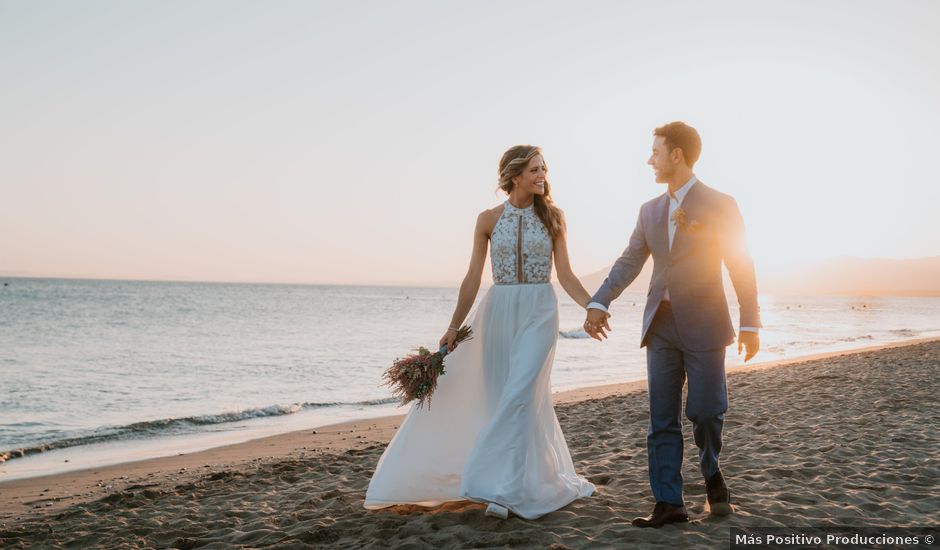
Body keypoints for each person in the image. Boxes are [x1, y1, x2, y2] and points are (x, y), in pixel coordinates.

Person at [364, 145, 595, 520]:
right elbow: (473, 277)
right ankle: (513, 481)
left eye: (544, 169)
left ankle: (499, 492)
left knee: (520, 395)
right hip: (498, 313)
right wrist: (454, 326)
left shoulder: (554, 217)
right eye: (535, 169)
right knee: (500, 398)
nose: (543, 176)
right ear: (515, 175)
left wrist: (593, 306)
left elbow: (566, 274)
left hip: (539, 311)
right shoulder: (487, 220)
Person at [583, 122, 761, 528]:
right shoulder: (648, 211)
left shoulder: (721, 203)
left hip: (705, 323)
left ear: (677, 154)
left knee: (706, 411)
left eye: (656, 151)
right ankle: (669, 503)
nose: (650, 159)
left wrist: (750, 322)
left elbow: (740, 263)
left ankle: (711, 470)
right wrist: (599, 301)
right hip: (659, 326)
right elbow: (630, 261)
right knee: (661, 419)